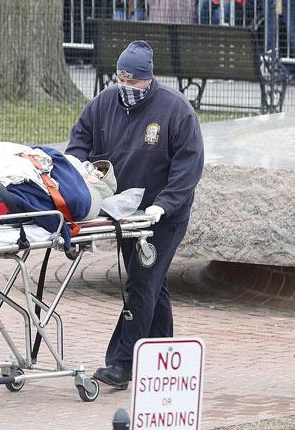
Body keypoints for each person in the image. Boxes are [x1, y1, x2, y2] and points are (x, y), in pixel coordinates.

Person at [66, 40, 205, 390]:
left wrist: (166, 203)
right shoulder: (103, 104)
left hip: (161, 217)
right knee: (152, 285)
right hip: (122, 212)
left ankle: (122, 363)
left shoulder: (176, 110)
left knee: (142, 282)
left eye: (133, 81)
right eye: (121, 79)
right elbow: (79, 140)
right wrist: (81, 169)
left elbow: (188, 166)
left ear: (148, 78)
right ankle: (163, 359)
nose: (126, 87)